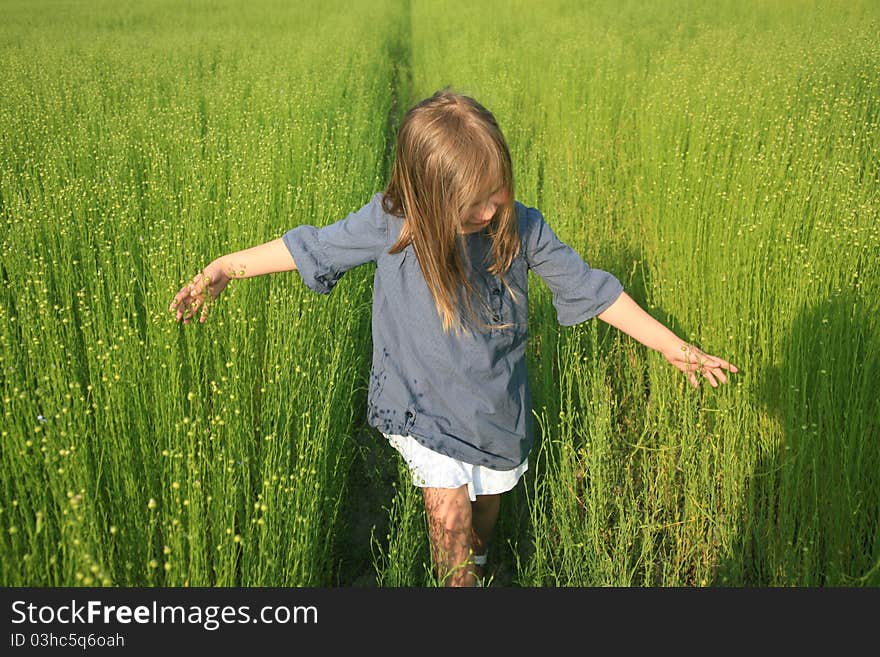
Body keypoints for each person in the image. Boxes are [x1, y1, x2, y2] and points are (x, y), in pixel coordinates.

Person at [169, 88, 738, 587]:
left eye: (499, 192)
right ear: (428, 198)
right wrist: (224, 267)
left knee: (487, 509)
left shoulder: (522, 229)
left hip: (493, 410)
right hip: (424, 412)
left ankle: (480, 558)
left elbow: (595, 291)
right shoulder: (395, 223)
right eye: (475, 204)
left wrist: (673, 347)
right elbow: (310, 248)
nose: (492, 211)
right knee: (453, 530)